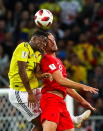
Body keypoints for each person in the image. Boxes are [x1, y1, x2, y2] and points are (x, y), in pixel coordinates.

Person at [40, 32, 98, 131]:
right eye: (49, 40)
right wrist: (82, 86)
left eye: (53, 39)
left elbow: (65, 86)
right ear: (43, 45)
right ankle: (76, 120)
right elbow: (61, 81)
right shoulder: (46, 59)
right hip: (51, 100)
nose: (53, 41)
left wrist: (82, 101)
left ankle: (75, 120)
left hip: (61, 103)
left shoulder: (59, 62)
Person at [8, 33, 51, 131]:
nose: (44, 44)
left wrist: (41, 76)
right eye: (42, 40)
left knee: (52, 97)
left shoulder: (37, 53)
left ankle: (73, 119)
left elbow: (35, 73)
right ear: (34, 38)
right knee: (41, 124)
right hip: (20, 92)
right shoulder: (23, 47)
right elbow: (22, 72)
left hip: (31, 90)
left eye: (45, 42)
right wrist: (30, 93)